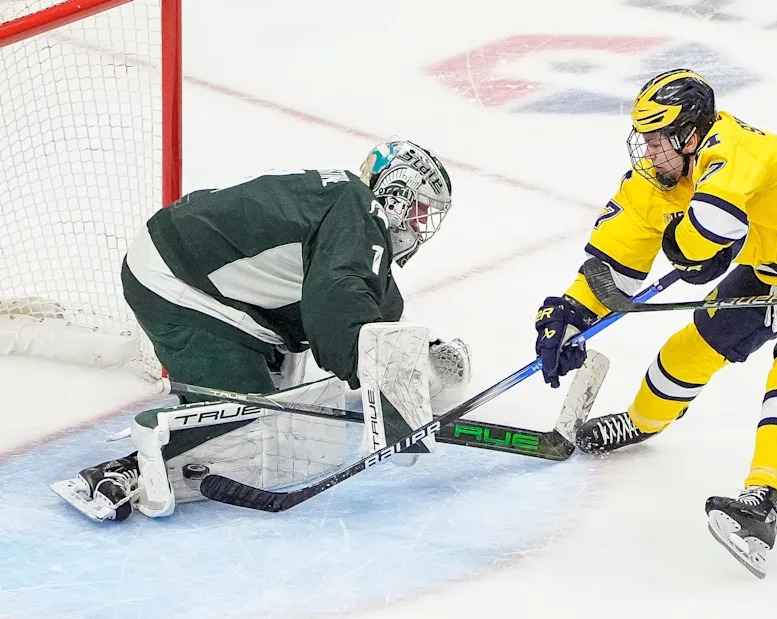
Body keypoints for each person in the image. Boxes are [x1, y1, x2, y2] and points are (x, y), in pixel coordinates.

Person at [533, 69, 777, 577]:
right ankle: (642, 421)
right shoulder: (654, 180)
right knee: (691, 347)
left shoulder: (732, 149)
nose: (648, 151)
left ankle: (761, 501)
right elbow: (615, 260)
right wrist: (573, 312)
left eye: (660, 139)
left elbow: (709, 231)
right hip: (774, 263)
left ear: (691, 132)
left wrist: (689, 249)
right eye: (644, 138)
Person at [56, 139, 471, 521]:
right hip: (175, 280)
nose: (422, 224)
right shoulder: (354, 207)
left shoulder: (348, 210)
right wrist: (380, 383)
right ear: (394, 194)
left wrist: (404, 371)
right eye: (419, 207)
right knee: (255, 424)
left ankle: (222, 392)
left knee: (376, 310)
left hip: (203, 278)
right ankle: (132, 467)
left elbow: (361, 308)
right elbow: (336, 300)